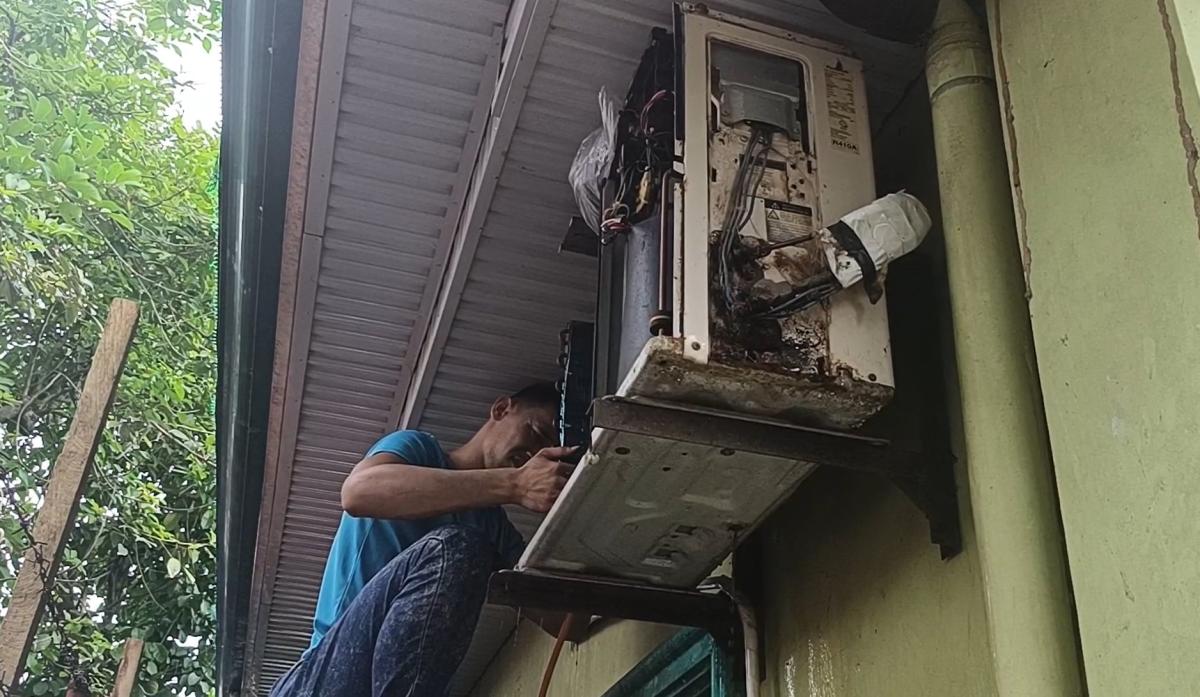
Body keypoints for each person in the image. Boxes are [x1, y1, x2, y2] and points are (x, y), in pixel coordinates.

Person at [269, 382, 575, 697]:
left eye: (548, 454)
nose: (536, 456)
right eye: (536, 433)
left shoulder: (496, 531)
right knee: (456, 548)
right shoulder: (417, 449)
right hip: (321, 681)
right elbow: (358, 492)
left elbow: (567, 621)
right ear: (501, 409)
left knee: (468, 549)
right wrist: (514, 484)